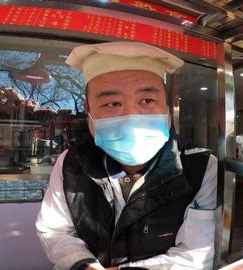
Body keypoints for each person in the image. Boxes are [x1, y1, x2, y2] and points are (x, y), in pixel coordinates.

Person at [36, 42, 218, 270]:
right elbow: (55, 231)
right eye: (112, 103)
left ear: (168, 107)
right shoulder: (70, 163)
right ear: (88, 111)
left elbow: (196, 254)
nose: (132, 116)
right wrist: (84, 265)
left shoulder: (200, 166)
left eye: (147, 101)